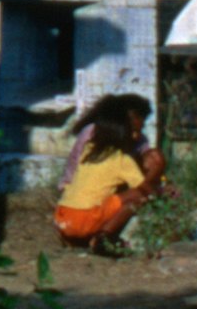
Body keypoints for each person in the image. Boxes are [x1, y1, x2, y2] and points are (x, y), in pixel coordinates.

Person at [52, 93, 169, 253]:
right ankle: (105, 237)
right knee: (137, 197)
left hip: (62, 216)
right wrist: (162, 191)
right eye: (134, 130)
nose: (137, 135)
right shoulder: (119, 157)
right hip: (85, 212)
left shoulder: (91, 147)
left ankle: (75, 238)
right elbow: (144, 190)